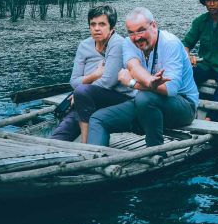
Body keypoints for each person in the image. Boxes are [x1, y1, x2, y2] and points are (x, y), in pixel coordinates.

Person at [86, 8, 200, 147]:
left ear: (153, 26)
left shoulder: (170, 43)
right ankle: (97, 162)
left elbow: (170, 90)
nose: (136, 37)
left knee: (144, 98)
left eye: (141, 30)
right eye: (131, 32)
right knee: (98, 118)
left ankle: (156, 151)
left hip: (184, 106)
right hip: (146, 103)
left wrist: (134, 83)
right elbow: (133, 66)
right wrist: (149, 82)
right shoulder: (129, 42)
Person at [52, 5, 129, 142]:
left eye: (102, 24)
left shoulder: (118, 44)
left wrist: (82, 92)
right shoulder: (84, 45)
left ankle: (85, 145)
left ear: (111, 28)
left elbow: (108, 82)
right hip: (86, 101)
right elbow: (74, 81)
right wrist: (95, 75)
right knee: (58, 137)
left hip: (117, 99)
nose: (96, 28)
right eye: (92, 24)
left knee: (81, 93)